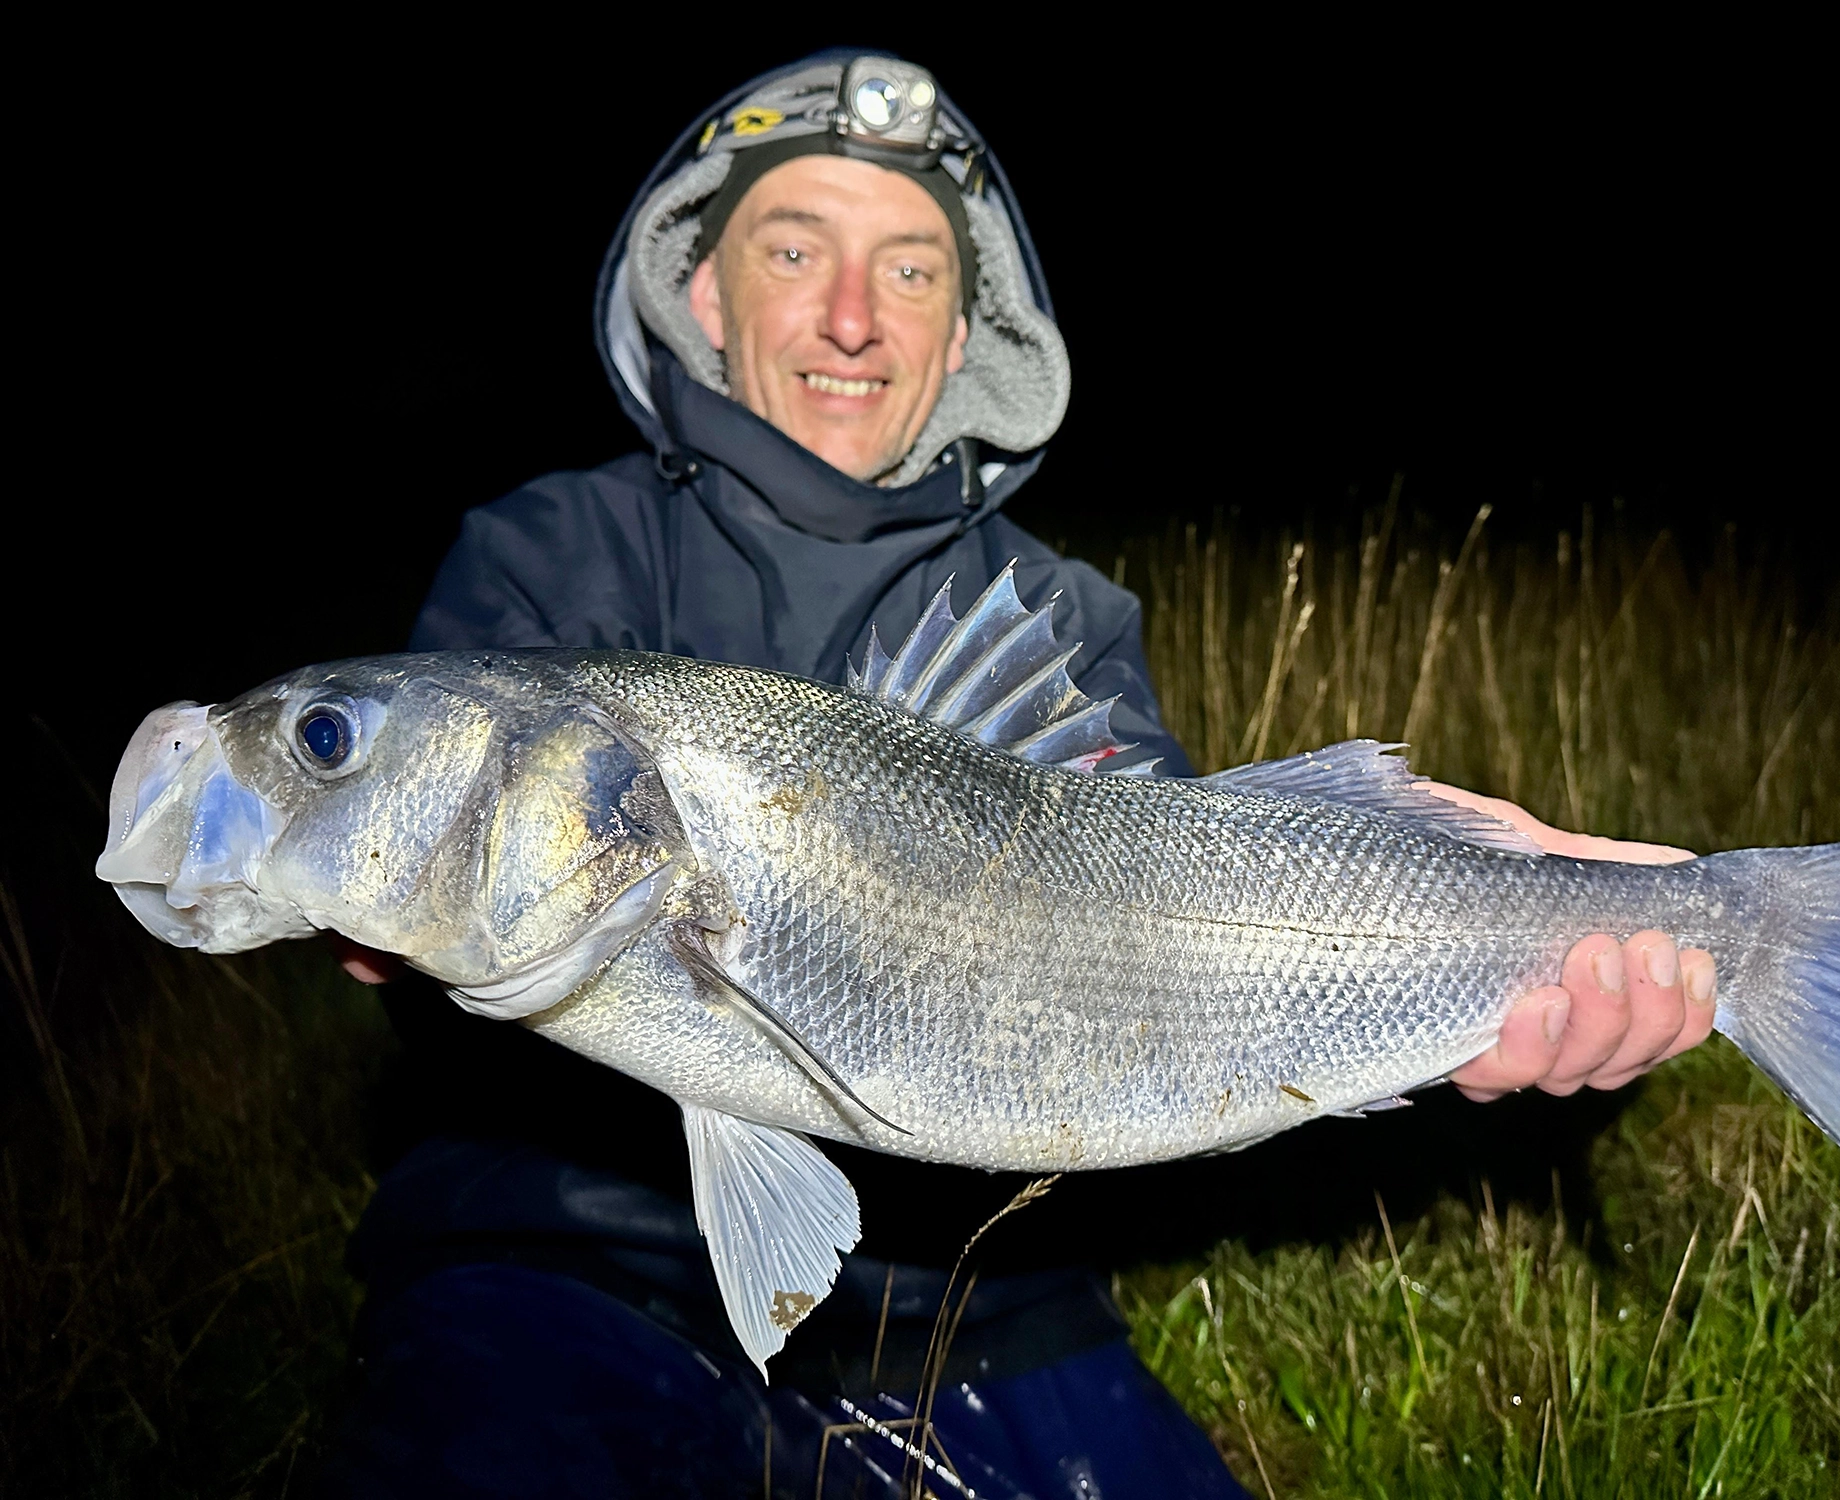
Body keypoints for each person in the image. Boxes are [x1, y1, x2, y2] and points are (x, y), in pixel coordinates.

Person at [319, 52, 1714, 1498]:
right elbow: (446, 952)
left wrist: (1474, 937)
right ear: (708, 293)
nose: (853, 316)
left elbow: (1172, 958)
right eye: (794, 250)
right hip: (565, 1275)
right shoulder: (545, 562)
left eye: (911, 269)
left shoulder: (1056, 617)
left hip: (988, 1311)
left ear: (963, 325)